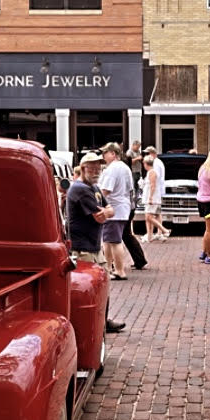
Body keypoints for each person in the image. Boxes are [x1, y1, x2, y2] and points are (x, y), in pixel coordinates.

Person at [66, 152, 125, 333]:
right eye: (91, 167)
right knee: (88, 289)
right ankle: (91, 323)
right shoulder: (80, 190)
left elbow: (110, 211)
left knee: (102, 284)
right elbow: (99, 217)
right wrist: (107, 212)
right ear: (83, 168)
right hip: (82, 248)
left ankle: (103, 321)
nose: (96, 170)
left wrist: (106, 212)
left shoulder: (94, 188)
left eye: (98, 167)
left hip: (93, 246)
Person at [97, 141, 136, 279]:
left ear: (113, 153)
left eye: (105, 153)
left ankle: (119, 270)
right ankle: (109, 268)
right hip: (122, 208)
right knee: (109, 240)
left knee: (114, 241)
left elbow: (106, 190)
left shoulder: (113, 168)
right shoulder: (125, 167)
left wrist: (95, 201)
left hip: (114, 209)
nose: (103, 156)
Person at [141, 154, 170, 242]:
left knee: (149, 217)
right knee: (148, 216)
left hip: (152, 198)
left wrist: (150, 198)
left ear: (146, 164)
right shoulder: (150, 172)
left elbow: (153, 186)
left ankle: (164, 230)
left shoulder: (152, 172)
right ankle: (150, 236)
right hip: (151, 197)